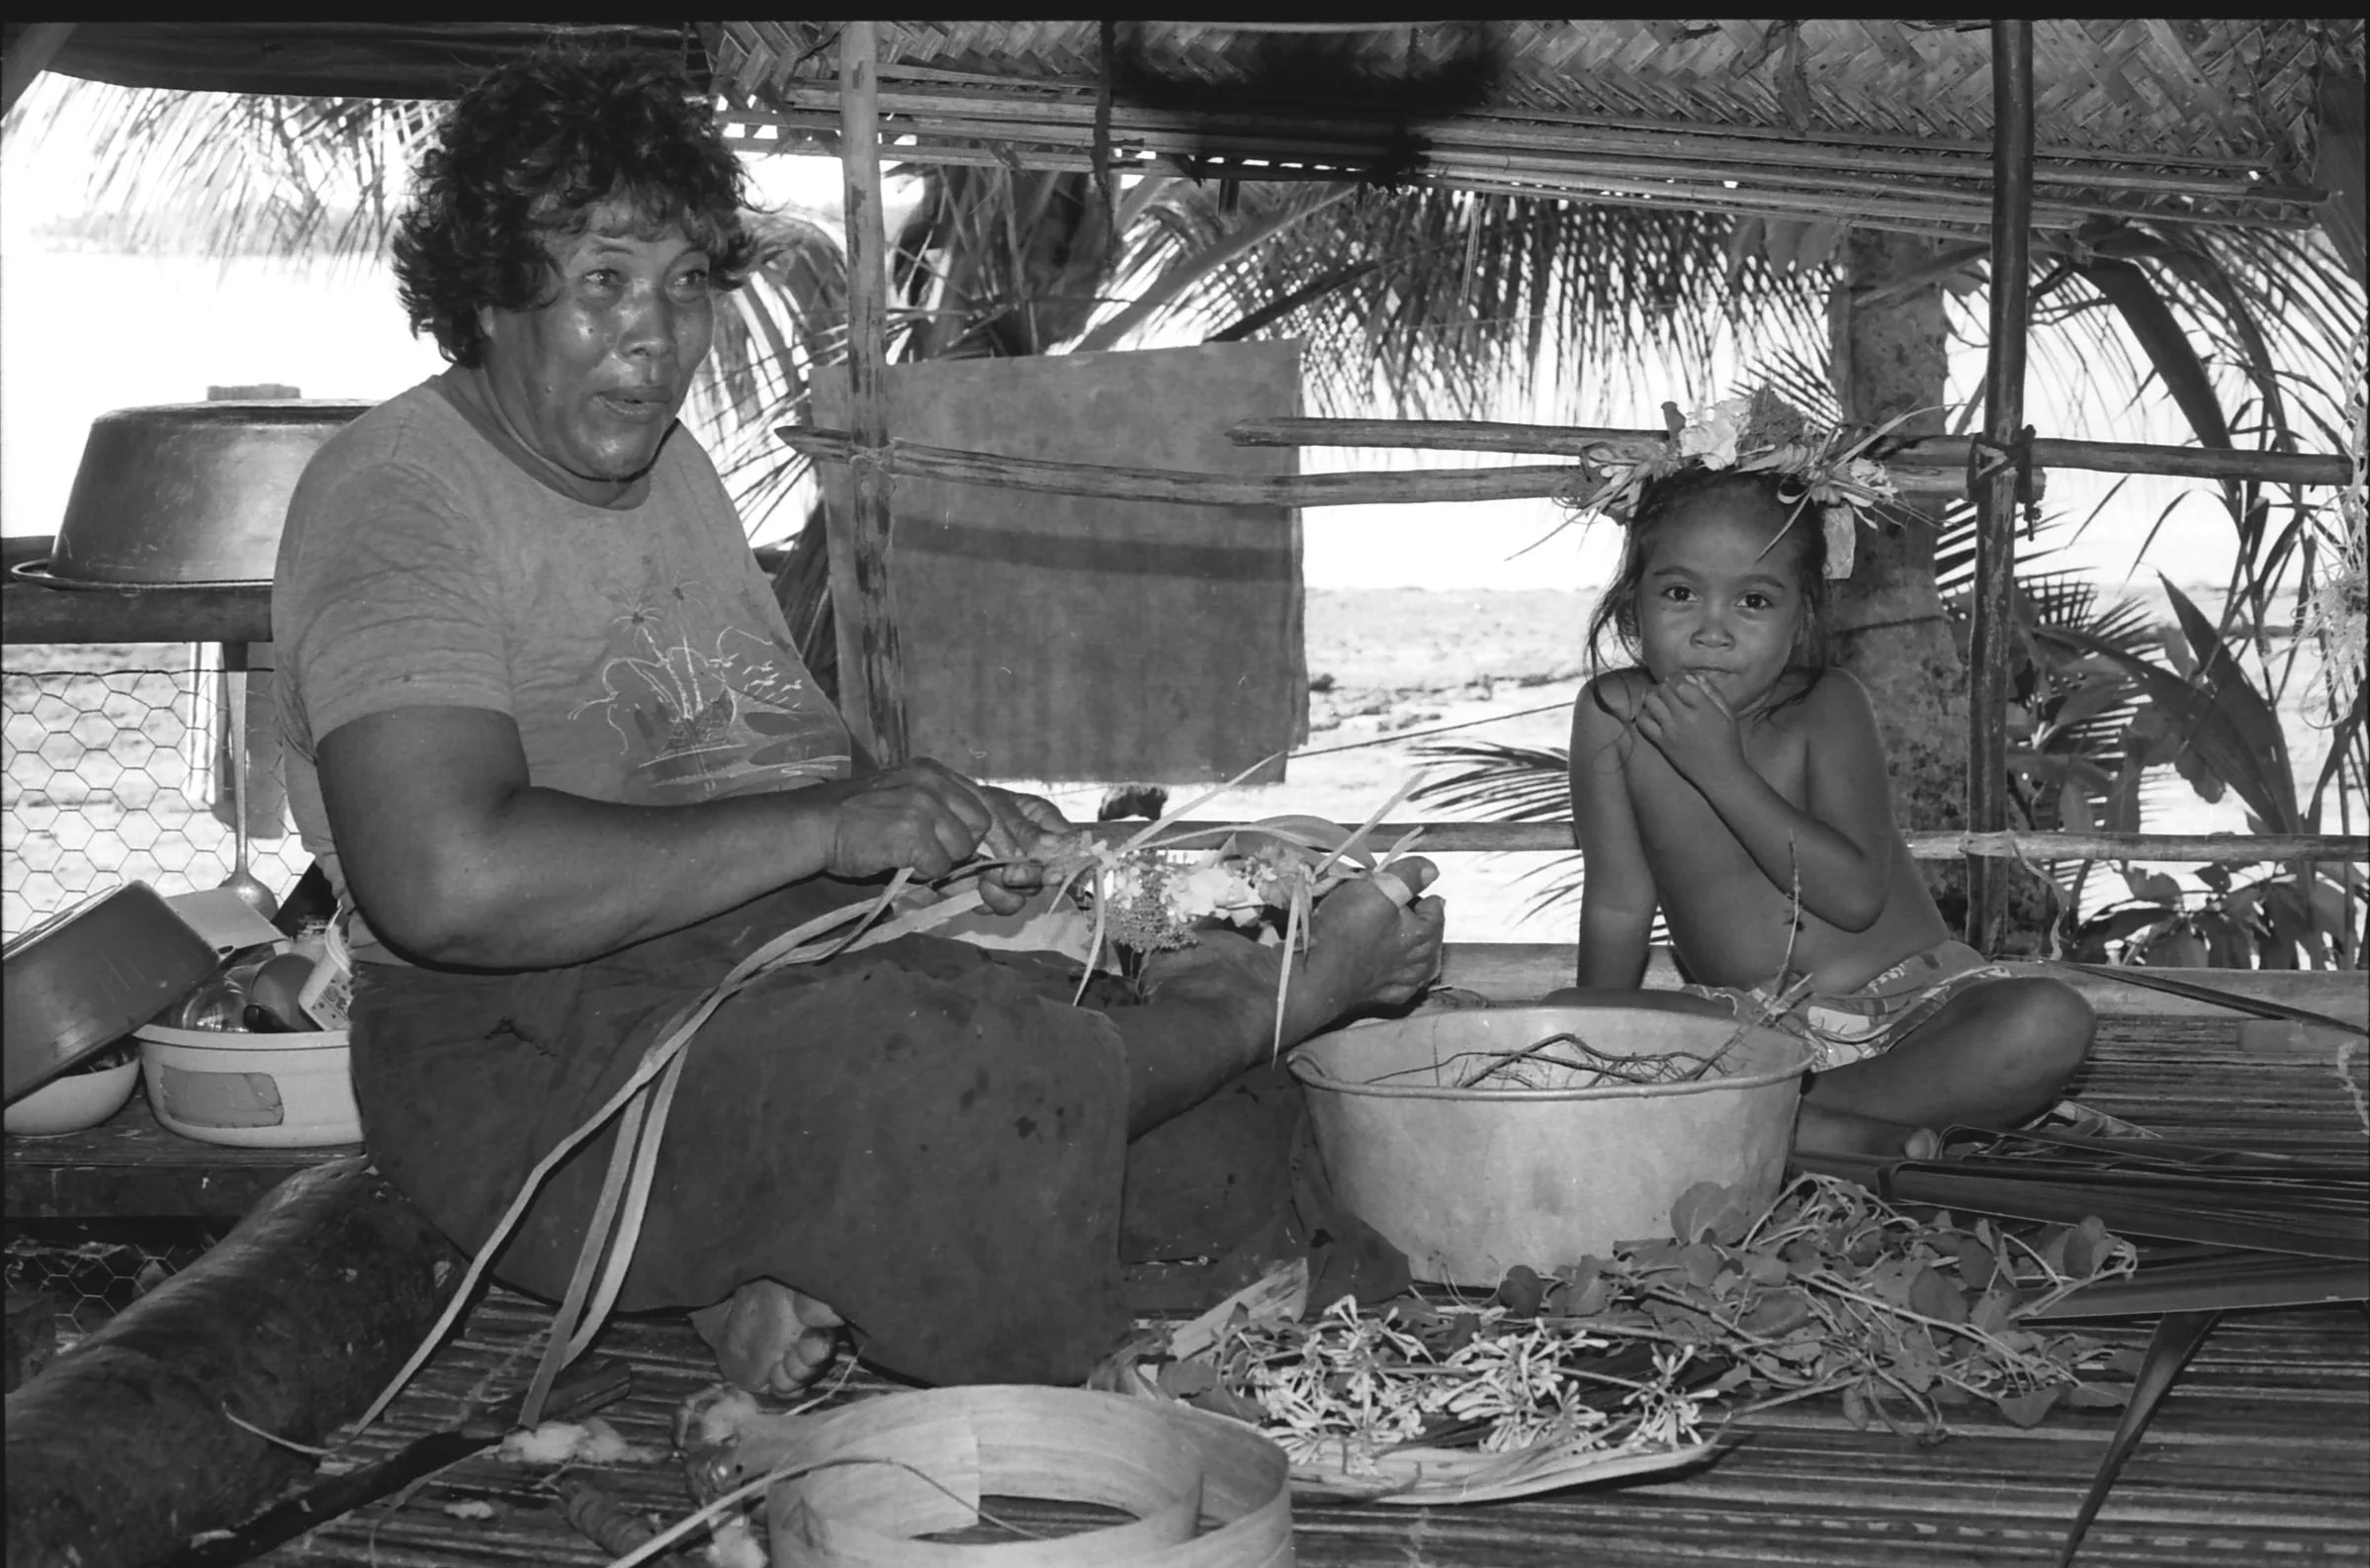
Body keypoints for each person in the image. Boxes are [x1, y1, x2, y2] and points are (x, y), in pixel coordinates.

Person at [272, 45, 1444, 1395]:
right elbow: (447, 883)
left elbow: (745, 767)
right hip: (525, 1062)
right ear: (487, 291)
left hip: (746, 978)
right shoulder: (402, 496)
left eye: (688, 284)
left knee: (1175, 1093)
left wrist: (944, 825)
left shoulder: (662, 465)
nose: (656, 338)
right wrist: (833, 823)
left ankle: (777, 1259)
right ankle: (1262, 1007)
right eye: (601, 282)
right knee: (945, 1073)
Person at [1556, 461, 2095, 1159]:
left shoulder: (1827, 705)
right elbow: (1618, 904)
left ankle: (1789, 1128)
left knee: (2045, 1021)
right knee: (1557, 1026)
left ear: (1801, 613)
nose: (1711, 631)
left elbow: (1851, 898)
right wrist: (1587, 1044)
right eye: (1680, 593)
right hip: (1750, 1030)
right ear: (1632, 603)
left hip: (1911, 1016)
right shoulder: (1609, 716)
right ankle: (1834, 1137)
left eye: (1752, 601)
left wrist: (1720, 770)